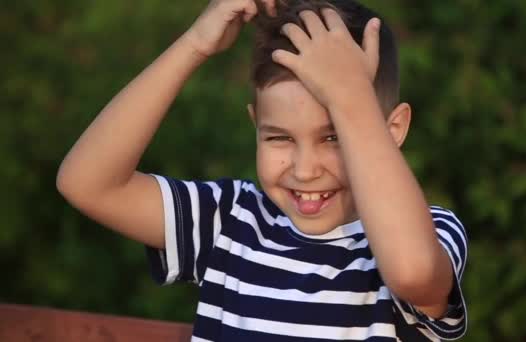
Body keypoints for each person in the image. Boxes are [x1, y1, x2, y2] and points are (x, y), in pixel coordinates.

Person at [57, 0, 468, 340]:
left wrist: (351, 99)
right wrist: (194, 45)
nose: (305, 171)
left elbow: (413, 273)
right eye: (280, 138)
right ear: (255, 126)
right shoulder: (232, 220)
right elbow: (87, 184)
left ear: (392, 129)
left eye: (334, 136)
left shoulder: (430, 231)